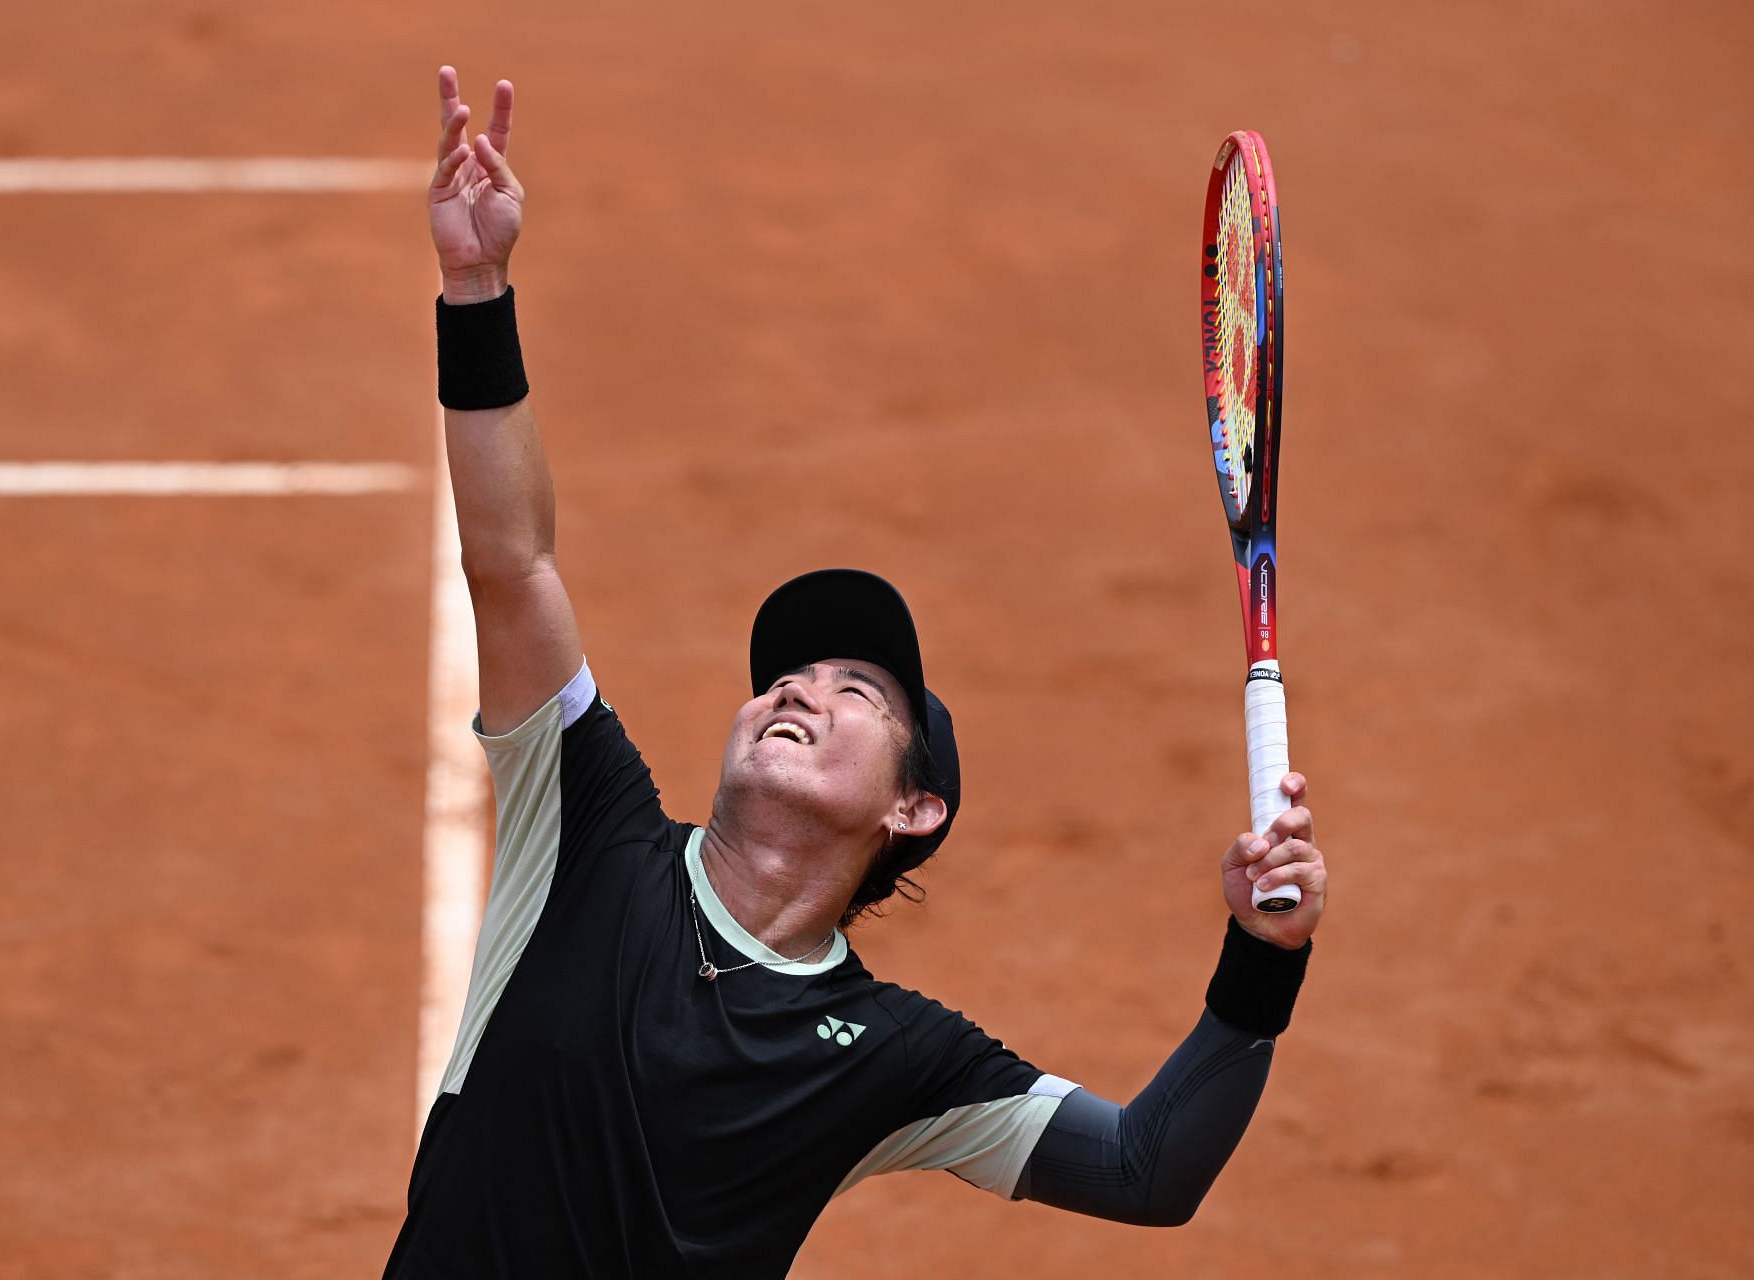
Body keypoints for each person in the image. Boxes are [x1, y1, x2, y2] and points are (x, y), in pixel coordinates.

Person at [383, 66, 1329, 1280]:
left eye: (856, 691)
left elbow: (1149, 1169)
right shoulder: (587, 829)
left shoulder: (891, 1052)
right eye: (787, 676)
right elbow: (511, 565)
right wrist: (476, 291)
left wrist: (1263, 956)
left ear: (913, 806)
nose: (798, 690)